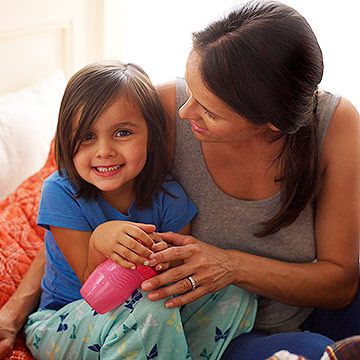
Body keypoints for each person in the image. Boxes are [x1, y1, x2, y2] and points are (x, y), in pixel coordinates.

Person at [0, 0, 359, 359]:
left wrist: (229, 266)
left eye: (209, 110)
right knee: (310, 350)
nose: (186, 111)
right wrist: (15, 312)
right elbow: (73, 209)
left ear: (270, 124)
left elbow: (341, 282)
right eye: (190, 87)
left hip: (259, 311)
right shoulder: (160, 111)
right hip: (155, 319)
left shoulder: (334, 126)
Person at [18, 60, 256, 360]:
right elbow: (94, 291)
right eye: (87, 136)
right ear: (67, 139)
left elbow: (171, 281)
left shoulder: (170, 197)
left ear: (150, 135)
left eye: (122, 133)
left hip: (147, 316)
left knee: (235, 295)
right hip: (62, 323)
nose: (104, 150)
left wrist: (162, 261)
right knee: (147, 307)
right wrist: (99, 240)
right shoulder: (61, 192)